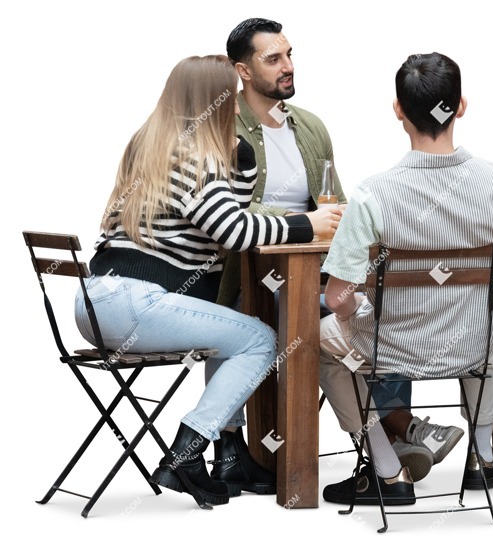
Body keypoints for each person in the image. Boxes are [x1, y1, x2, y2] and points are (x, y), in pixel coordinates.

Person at [73, 55, 338, 507]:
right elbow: (235, 229)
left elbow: (229, 208)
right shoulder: (193, 157)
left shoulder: (156, 147)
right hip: (135, 304)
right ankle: (188, 452)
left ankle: (228, 453)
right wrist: (308, 224)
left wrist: (244, 155)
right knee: (258, 339)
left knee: (233, 320)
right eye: (230, 95)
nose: (238, 103)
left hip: (101, 302)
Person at [317, 52, 493, 505]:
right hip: (472, 343)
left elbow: (338, 296)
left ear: (398, 110)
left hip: (392, 347)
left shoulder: (371, 193)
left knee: (320, 340)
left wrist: (361, 308)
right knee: (487, 314)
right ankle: (482, 459)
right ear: (460, 106)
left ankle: (387, 471)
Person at [203, 17, 347, 496]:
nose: (287, 66)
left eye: (289, 55)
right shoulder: (222, 126)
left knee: (342, 317)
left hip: (308, 266)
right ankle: (229, 446)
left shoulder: (309, 125)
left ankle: (379, 441)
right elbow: (229, 207)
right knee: (260, 319)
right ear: (241, 70)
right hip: (240, 265)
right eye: (273, 59)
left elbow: (332, 201)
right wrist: (299, 224)